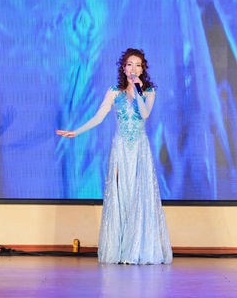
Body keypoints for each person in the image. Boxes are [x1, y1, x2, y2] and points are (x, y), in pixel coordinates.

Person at [56, 48, 173, 264]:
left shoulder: (149, 91)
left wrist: (138, 90)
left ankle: (137, 248)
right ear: (123, 68)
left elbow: (144, 114)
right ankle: (120, 249)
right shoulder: (114, 92)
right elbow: (99, 117)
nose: (133, 68)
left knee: (139, 194)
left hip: (139, 149)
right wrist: (76, 132)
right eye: (129, 64)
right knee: (120, 195)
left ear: (142, 69)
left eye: (138, 65)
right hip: (120, 148)